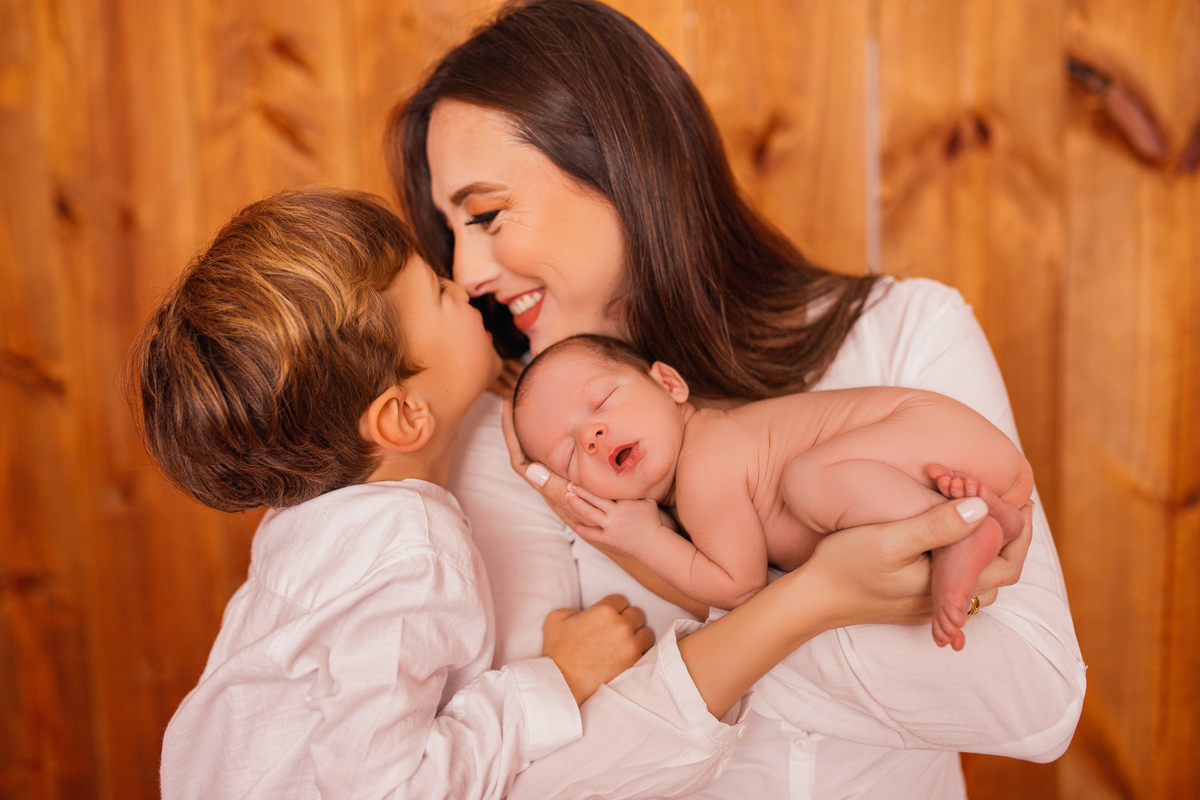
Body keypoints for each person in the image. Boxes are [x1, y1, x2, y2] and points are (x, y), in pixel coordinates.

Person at [387, 1, 1085, 798]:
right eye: (452, 235)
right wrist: (817, 598)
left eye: (485, 214)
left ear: (621, 165)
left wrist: (690, 605)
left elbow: (1035, 700)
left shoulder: (898, 333)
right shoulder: (511, 444)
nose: (468, 271)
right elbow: (534, 781)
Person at [133, 187, 992, 799]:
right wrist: (555, 678)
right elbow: (385, 786)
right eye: (436, 291)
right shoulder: (401, 553)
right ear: (401, 416)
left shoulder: (306, 538)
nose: (465, 280)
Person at [511, 333, 1033, 649]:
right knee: (815, 479)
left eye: (601, 401)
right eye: (570, 455)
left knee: (808, 480)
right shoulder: (715, 452)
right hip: (957, 455)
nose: (592, 435)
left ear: (670, 384)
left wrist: (643, 540)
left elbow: (741, 588)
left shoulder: (704, 464)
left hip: (928, 431)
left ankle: (957, 528)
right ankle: (983, 518)